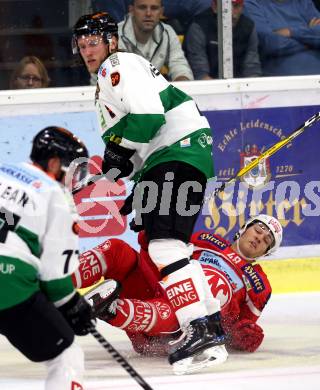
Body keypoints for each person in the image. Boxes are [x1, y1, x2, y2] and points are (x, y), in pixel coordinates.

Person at [72, 11, 224, 374]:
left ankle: (198, 328)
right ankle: (211, 324)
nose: (88, 51)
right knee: (176, 248)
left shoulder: (117, 65)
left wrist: (119, 152)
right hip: (175, 156)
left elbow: (149, 117)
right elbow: (132, 151)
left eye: (93, 42)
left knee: (164, 246)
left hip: (176, 152)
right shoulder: (108, 83)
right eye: (81, 46)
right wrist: (130, 177)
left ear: (111, 41)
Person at [74, 214, 282, 373]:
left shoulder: (259, 285)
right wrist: (152, 240)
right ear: (245, 228)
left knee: (180, 308)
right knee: (118, 250)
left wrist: (241, 335)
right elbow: (163, 261)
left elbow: (235, 329)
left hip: (176, 333)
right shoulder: (205, 240)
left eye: (266, 240)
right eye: (258, 229)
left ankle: (111, 309)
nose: (259, 238)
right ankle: (59, 280)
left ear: (266, 252)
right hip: (156, 293)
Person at [0, 126, 92, 390]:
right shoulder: (56, 194)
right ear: (53, 162)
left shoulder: (3, 170)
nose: (72, 178)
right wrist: (73, 306)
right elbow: (54, 278)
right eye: (71, 168)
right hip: (8, 284)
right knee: (66, 355)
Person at [184, 0, 262, 80]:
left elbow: (252, 70)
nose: (231, 14)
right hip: (206, 89)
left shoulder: (249, 27)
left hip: (239, 88)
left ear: (242, 7)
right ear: (214, 6)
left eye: (236, 6)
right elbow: (200, 75)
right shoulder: (199, 26)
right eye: (226, 7)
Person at [117, 0, 194, 81]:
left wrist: (182, 82)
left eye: (154, 8)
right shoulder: (114, 36)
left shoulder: (167, 32)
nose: (148, 14)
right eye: (142, 8)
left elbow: (179, 64)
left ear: (161, 12)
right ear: (131, 10)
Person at [244, 0, 320, 76]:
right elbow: (272, 43)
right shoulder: (251, 4)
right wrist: (311, 39)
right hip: (281, 81)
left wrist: (290, 32)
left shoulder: (303, 2)